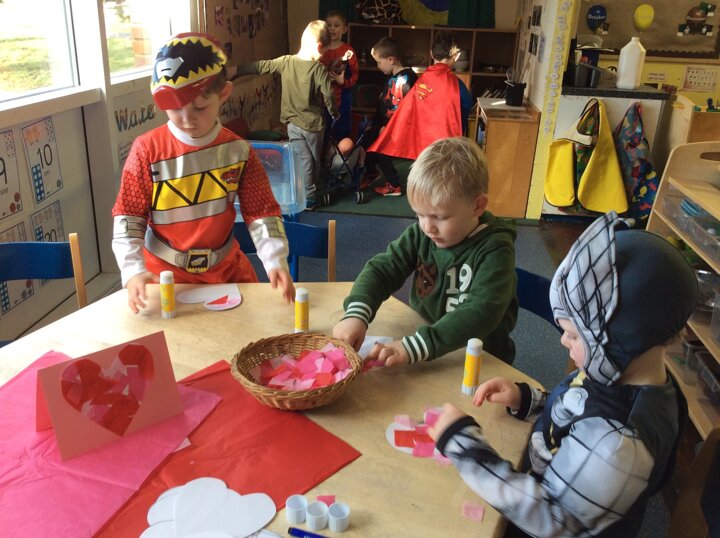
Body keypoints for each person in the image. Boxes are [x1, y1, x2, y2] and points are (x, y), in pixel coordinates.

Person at [428, 211, 698, 537]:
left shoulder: (616, 444)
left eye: (573, 335)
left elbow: (553, 519)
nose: (562, 341)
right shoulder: (617, 369)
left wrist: (463, 445)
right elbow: (578, 409)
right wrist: (527, 400)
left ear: (622, 342)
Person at [111, 32, 294, 313]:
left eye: (199, 107)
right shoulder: (146, 151)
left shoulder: (239, 151)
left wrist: (275, 260)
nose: (187, 119)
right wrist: (133, 270)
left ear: (224, 94)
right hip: (163, 277)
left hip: (226, 272)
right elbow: (129, 216)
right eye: (174, 109)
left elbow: (262, 212)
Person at [332, 136, 518, 365]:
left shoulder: (496, 249)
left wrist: (418, 346)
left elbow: (481, 312)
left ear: (477, 206)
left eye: (440, 217)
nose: (427, 227)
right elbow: (382, 269)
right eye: (419, 214)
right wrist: (357, 313)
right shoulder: (423, 234)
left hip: (479, 360)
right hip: (426, 346)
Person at [234, 20, 339, 210]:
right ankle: (311, 195)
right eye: (323, 52)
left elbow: (261, 66)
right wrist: (334, 112)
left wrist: (236, 70)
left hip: (292, 125)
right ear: (319, 47)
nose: (323, 56)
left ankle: (306, 192)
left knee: (300, 159)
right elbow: (329, 94)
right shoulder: (318, 69)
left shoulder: (286, 62)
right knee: (313, 160)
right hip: (313, 125)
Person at [368, 30, 473, 163]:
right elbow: (464, 111)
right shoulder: (458, 87)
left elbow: (405, 114)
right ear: (456, 56)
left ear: (431, 53)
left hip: (419, 151)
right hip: (445, 152)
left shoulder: (421, 82)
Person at [361, 36, 418, 197]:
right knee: (366, 140)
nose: (378, 66)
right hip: (384, 126)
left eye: (379, 62)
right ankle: (371, 172)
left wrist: (388, 127)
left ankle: (394, 184)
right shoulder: (391, 76)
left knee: (380, 149)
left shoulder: (407, 79)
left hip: (395, 129)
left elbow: (404, 110)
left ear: (391, 60)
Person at [319, 9, 359, 141]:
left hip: (342, 98)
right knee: (323, 133)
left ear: (344, 29)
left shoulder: (348, 51)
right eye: (329, 25)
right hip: (322, 99)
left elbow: (355, 74)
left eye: (336, 25)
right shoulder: (319, 49)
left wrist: (343, 82)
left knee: (341, 133)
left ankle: (339, 154)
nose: (332, 29)